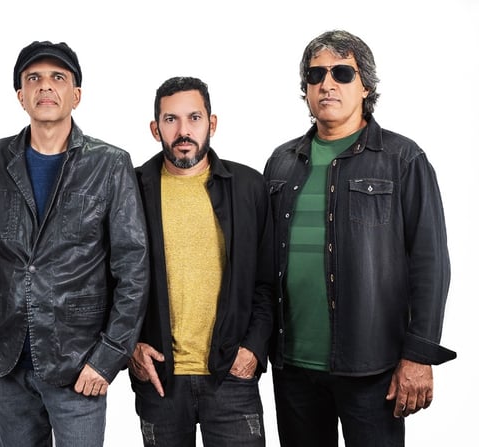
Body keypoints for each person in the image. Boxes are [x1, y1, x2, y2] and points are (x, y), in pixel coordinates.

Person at [0, 40, 149, 447]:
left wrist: (108, 357)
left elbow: (133, 267)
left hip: (78, 363)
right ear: (20, 95)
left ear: (76, 94)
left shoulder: (109, 163)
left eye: (58, 78)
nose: (46, 87)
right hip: (6, 359)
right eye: (34, 79)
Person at [263, 29, 456, 447]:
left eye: (342, 73)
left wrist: (419, 355)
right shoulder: (281, 162)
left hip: (373, 368)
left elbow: (431, 263)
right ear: (306, 89)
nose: (327, 84)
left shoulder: (402, 159)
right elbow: (262, 264)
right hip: (293, 367)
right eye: (315, 75)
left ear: (365, 85)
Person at [127, 76, 275, 446]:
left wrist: (253, 350)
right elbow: (111, 280)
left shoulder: (248, 187)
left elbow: (267, 281)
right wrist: (130, 347)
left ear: (212, 123)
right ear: (154, 128)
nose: (183, 131)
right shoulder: (131, 189)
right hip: (159, 378)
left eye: (194, 118)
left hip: (231, 376)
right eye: (170, 119)